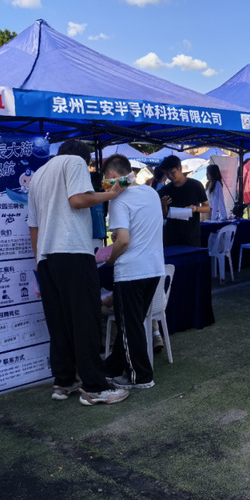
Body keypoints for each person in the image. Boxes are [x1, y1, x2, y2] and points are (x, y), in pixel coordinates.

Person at [27, 139, 130, 406]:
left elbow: (33, 226)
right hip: (73, 251)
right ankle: (95, 386)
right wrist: (111, 194)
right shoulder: (74, 162)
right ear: (85, 160)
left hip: (46, 258)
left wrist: (39, 260)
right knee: (85, 320)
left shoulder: (38, 175)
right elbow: (78, 200)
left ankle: (63, 381)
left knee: (59, 322)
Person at [102, 154, 164, 389]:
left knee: (130, 326)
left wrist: (111, 259)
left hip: (130, 270)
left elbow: (123, 240)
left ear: (112, 176)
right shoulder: (150, 192)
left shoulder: (118, 200)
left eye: (105, 179)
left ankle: (141, 376)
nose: (105, 185)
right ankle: (112, 368)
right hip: (153, 268)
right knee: (133, 324)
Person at [158, 155, 210, 247]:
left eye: (172, 172)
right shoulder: (165, 190)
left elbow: (207, 207)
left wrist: (196, 208)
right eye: (167, 174)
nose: (170, 176)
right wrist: (164, 205)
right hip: (171, 236)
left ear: (180, 168)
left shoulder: (195, 185)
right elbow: (165, 216)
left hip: (191, 236)